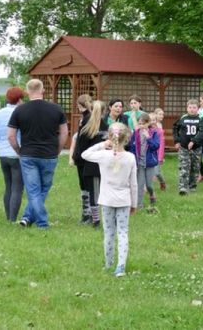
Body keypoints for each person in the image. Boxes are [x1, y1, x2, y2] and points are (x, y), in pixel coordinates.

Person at [8, 79, 68, 229]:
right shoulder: (56, 109)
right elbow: (64, 133)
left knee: (34, 190)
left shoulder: (19, 110)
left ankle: (27, 217)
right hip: (49, 154)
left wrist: (18, 151)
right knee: (43, 189)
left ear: (27, 92)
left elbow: (10, 135)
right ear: (43, 90)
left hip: (28, 154)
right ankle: (42, 223)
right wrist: (58, 150)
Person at [81, 122, 137, 277]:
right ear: (127, 139)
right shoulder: (130, 158)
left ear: (110, 137)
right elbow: (134, 183)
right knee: (123, 232)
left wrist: (102, 144)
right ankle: (121, 266)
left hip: (106, 199)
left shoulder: (103, 155)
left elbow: (84, 154)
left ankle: (108, 263)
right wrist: (134, 203)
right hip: (124, 200)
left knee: (109, 233)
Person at [0, 86, 25, 222]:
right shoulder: (21, 112)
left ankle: (8, 216)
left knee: (8, 185)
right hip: (16, 152)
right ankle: (12, 219)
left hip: (2, 153)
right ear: (19, 99)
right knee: (17, 187)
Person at [74, 101, 109, 227]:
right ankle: (98, 219)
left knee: (92, 192)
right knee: (100, 191)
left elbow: (81, 147)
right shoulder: (106, 127)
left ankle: (95, 219)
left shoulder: (86, 128)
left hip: (89, 165)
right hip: (104, 164)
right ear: (105, 112)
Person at [173, 99, 203, 195]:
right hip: (184, 147)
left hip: (196, 148)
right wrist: (177, 140)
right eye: (190, 107)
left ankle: (192, 185)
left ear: (198, 108)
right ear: (187, 108)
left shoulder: (201, 119)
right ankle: (183, 187)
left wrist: (194, 141)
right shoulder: (182, 118)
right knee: (184, 166)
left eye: (194, 108)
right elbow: (175, 128)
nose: (192, 109)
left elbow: (202, 132)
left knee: (195, 167)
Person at [69, 94, 93, 224]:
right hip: (85, 156)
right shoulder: (88, 117)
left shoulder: (86, 118)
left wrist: (75, 155)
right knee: (86, 186)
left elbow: (82, 140)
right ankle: (87, 214)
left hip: (84, 156)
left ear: (79, 105)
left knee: (85, 186)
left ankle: (87, 215)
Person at [129, 112, 160, 211]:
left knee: (149, 185)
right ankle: (139, 205)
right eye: (139, 123)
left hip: (150, 163)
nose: (141, 125)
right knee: (140, 184)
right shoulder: (136, 133)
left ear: (148, 123)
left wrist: (148, 137)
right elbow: (132, 147)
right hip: (140, 163)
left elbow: (156, 146)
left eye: (143, 123)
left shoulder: (154, 133)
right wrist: (133, 160)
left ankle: (152, 194)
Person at [152, 108, 167, 191]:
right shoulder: (148, 127)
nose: (162, 116)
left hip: (158, 152)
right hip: (150, 152)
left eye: (162, 114)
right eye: (160, 114)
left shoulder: (160, 127)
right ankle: (148, 188)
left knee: (157, 172)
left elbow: (162, 143)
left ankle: (162, 182)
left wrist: (161, 156)